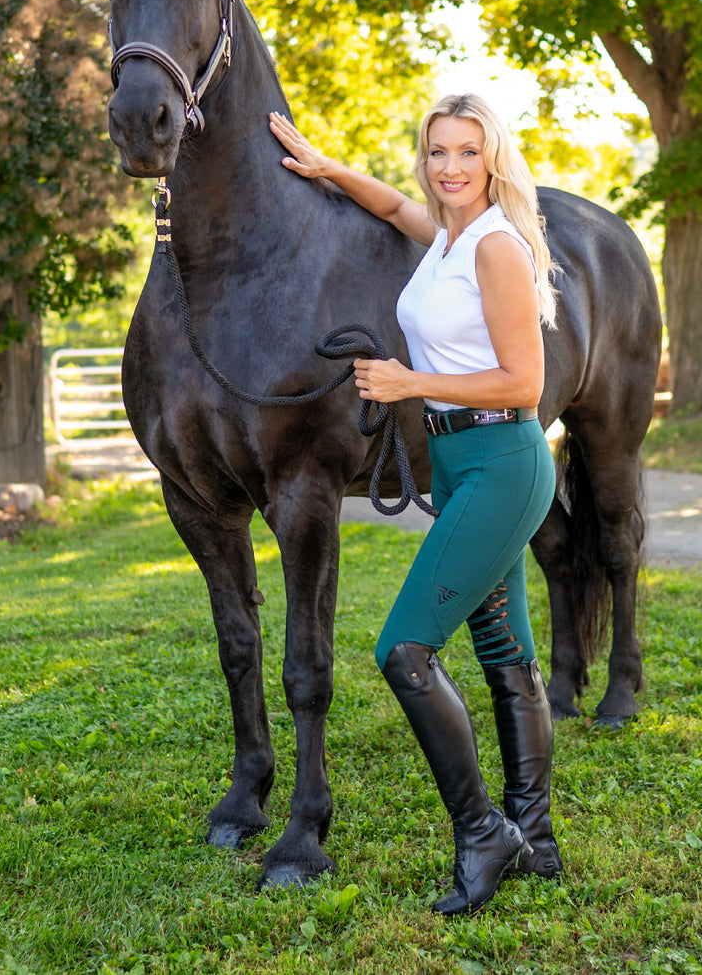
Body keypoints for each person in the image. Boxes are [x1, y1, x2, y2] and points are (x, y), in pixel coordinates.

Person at [269, 94, 562, 916]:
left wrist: (409, 382)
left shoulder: (496, 246)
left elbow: (526, 383)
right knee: (506, 651)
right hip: (461, 464)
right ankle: (536, 838)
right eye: (438, 151)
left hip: (504, 460)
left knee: (404, 650)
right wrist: (329, 169)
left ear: (493, 159)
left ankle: (484, 834)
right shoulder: (448, 237)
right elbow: (399, 207)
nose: (451, 168)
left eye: (468, 152)